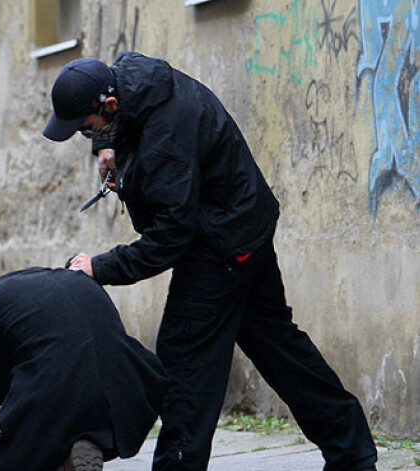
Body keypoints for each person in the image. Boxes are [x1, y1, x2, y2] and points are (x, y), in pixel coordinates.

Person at [42, 53, 378, 471]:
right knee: (281, 351)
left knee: (184, 363)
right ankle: (354, 454)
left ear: (109, 106)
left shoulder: (167, 136)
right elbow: (119, 115)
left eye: (85, 128)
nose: (84, 135)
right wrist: (106, 143)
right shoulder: (132, 78)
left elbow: (170, 236)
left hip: (222, 244)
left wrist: (101, 267)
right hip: (240, 225)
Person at [0, 267, 169, 471]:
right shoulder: (77, 282)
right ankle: (83, 441)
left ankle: (60, 446)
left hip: (55, 388)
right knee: (69, 416)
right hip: (128, 390)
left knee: (15, 455)